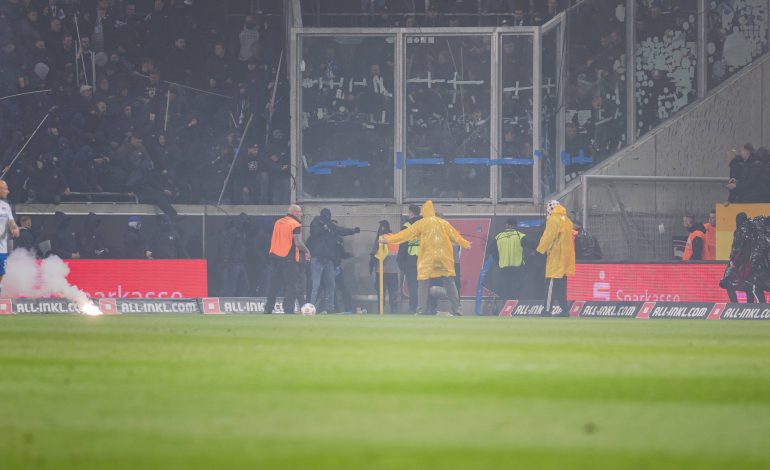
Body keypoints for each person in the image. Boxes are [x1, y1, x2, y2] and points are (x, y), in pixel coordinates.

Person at [383, 201, 471, 316]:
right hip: (444, 258)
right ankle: (457, 309)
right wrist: (466, 244)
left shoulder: (422, 223)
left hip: (427, 258)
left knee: (423, 283)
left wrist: (388, 239)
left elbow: (406, 235)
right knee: (450, 282)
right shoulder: (443, 222)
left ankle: (421, 310)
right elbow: (455, 235)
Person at [307, 208, 359, 313]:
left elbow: (341, 230)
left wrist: (353, 231)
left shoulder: (331, 226)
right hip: (317, 259)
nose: (328, 218)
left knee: (331, 285)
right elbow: (314, 232)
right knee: (315, 285)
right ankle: (310, 308)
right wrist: (325, 228)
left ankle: (330, 308)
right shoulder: (315, 223)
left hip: (329, 261)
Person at [265, 205, 311, 315]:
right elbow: (298, 243)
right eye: (300, 212)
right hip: (288, 259)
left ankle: (268, 308)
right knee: (291, 285)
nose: (301, 214)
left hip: (275, 258)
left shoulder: (278, 222)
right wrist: (307, 251)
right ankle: (288, 309)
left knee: (274, 285)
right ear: (294, 212)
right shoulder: (295, 224)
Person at [536, 200, 576, 314]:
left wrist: (540, 250)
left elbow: (549, 236)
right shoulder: (567, 220)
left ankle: (547, 310)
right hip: (566, 257)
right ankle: (564, 311)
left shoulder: (554, 220)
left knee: (551, 284)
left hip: (556, 256)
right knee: (561, 286)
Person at [720, 212, 758, 302]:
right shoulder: (754, 232)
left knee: (727, 282)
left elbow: (737, 249)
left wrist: (733, 262)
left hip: (740, 263)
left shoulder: (740, 231)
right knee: (749, 285)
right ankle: (750, 307)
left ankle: (734, 304)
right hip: (751, 263)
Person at [491, 217, 526, 301]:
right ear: (514, 226)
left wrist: (498, 261)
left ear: (508, 225)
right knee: (516, 290)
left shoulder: (498, 237)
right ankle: (514, 309)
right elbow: (532, 245)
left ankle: (504, 308)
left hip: (504, 268)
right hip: (517, 268)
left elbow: (491, 250)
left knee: (504, 290)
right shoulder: (519, 236)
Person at [396, 204, 422, 313]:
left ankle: (413, 307)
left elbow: (403, 244)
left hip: (411, 259)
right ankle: (426, 307)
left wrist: (400, 260)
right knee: (424, 284)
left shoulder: (407, 225)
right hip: (424, 259)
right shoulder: (424, 224)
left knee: (413, 284)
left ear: (411, 212)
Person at [371, 220, 400, 313]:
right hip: (394, 271)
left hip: (382, 271)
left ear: (382, 227)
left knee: (381, 293)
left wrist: (371, 268)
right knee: (393, 293)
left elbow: (374, 254)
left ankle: (380, 310)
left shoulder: (381, 238)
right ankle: (394, 310)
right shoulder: (395, 237)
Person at [0, 180, 20, 283]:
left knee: (1, 273)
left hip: (2, 248)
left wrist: (15, 227)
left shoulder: (6, 206)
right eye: (5, 189)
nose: (8, 191)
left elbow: (11, 221)